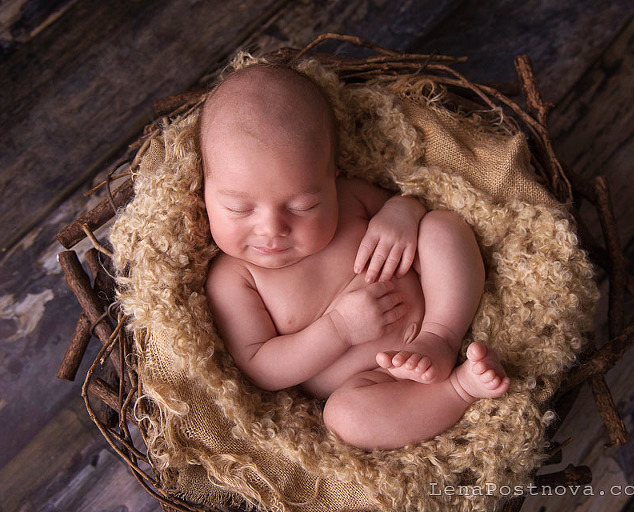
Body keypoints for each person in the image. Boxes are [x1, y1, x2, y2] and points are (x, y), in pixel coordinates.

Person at [201, 64, 509, 450]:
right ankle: (461, 389)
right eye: (240, 209)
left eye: (302, 206)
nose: (272, 228)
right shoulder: (233, 278)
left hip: (439, 311)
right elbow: (261, 365)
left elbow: (409, 207)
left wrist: (402, 213)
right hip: (371, 379)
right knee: (345, 418)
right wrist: (340, 328)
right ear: (205, 191)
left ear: (332, 176)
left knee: (442, 227)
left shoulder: (349, 199)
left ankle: (442, 339)